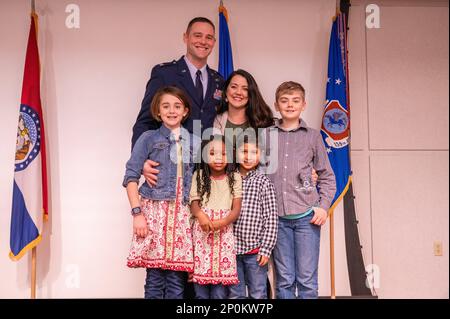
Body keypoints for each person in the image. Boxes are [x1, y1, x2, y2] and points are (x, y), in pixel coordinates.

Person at [123, 86, 199, 299]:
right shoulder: (148, 138)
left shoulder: (194, 141)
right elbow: (130, 177)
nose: (172, 110)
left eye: (177, 106)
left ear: (185, 111)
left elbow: (199, 181)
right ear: (158, 111)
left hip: (182, 217)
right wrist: (137, 214)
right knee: (155, 279)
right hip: (154, 216)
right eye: (166, 106)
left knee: (176, 281)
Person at [267, 81, 336, 299]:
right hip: (276, 218)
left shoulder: (313, 136)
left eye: (295, 101)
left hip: (307, 217)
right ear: (276, 105)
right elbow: (255, 173)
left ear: (304, 105)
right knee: (284, 279)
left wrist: (323, 207)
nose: (290, 105)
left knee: (306, 280)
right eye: (284, 101)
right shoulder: (266, 136)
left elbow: (327, 175)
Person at [189, 135, 242, 299]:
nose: (219, 158)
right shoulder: (198, 175)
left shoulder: (235, 177)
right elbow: (194, 203)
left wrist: (223, 222)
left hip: (223, 235)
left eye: (224, 154)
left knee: (219, 291)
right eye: (212, 153)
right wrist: (201, 216)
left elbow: (236, 209)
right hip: (202, 234)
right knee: (200, 290)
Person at [228, 137, 278, 299]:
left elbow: (271, 218)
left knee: (258, 292)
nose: (248, 157)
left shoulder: (263, 182)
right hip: (232, 249)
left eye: (254, 152)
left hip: (255, 250)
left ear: (260, 155)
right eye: (244, 152)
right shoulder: (229, 180)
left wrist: (266, 249)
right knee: (235, 293)